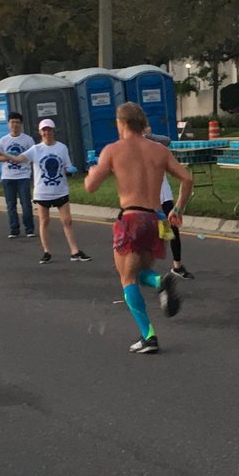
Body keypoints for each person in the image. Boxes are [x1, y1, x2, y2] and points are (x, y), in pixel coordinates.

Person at [84, 103, 194, 354]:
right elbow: (187, 178)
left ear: (121, 123)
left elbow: (90, 186)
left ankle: (148, 335)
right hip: (157, 218)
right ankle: (160, 281)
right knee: (140, 270)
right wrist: (177, 209)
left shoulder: (113, 150)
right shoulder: (159, 150)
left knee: (127, 278)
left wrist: (92, 171)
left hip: (131, 218)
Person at [0, 118, 90, 264]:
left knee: (67, 221)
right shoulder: (36, 149)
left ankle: (74, 251)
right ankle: (47, 252)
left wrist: (70, 169)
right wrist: (3, 154)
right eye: (44, 130)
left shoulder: (62, 148)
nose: (47, 133)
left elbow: (66, 166)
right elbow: (18, 159)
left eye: (49, 130)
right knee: (44, 221)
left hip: (60, 190)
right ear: (40, 132)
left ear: (53, 131)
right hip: (42, 192)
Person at [147, 133, 195, 280]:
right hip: (147, 200)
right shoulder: (133, 150)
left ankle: (177, 266)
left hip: (164, 198)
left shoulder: (158, 148)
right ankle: (140, 267)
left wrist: (147, 135)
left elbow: (166, 140)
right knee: (150, 234)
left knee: (171, 232)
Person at [0, 112, 35, 239]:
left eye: (17, 122)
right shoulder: (3, 140)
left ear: (21, 124)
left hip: (23, 175)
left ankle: (29, 228)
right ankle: (14, 229)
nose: (15, 125)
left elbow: (33, 157)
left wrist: (20, 159)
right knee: (11, 205)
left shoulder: (28, 140)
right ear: (8, 124)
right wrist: (9, 156)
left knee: (26, 203)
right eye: (12, 122)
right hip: (8, 176)